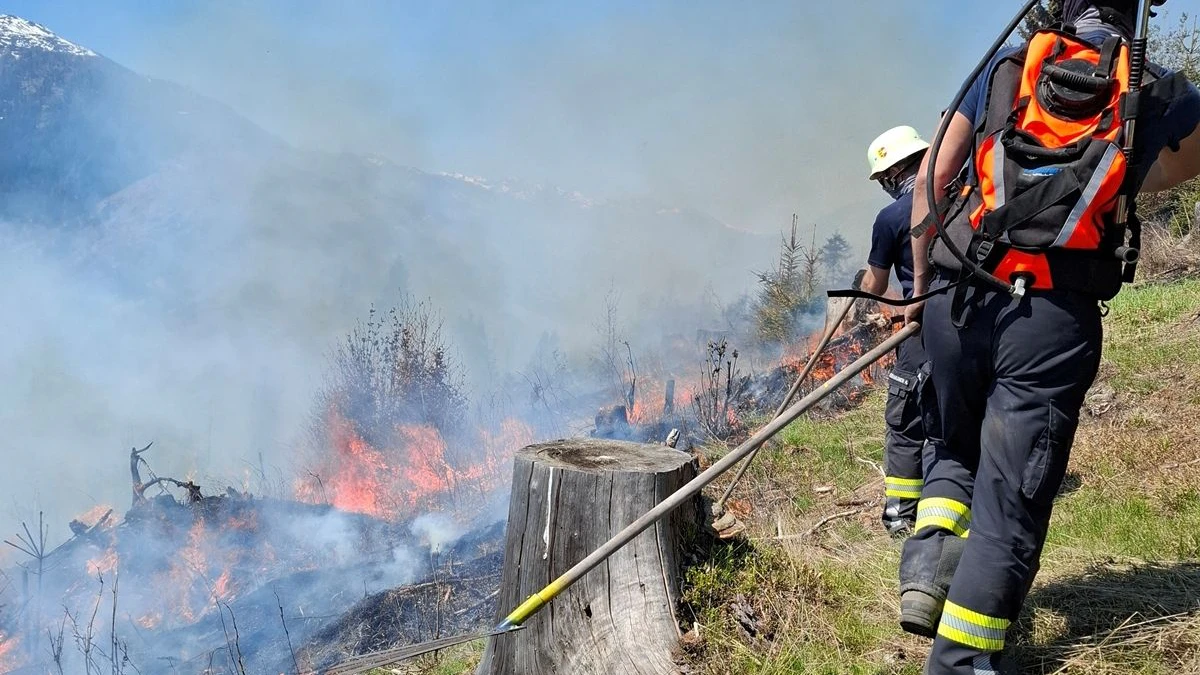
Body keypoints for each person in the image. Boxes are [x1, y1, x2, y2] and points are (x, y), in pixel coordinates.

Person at [896, 1, 1200, 672]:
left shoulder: (1005, 64)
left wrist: (917, 295)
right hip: (1048, 318)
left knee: (952, 446)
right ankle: (961, 663)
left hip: (957, 295)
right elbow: (1172, 169)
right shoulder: (1148, 90)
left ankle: (924, 570)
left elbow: (931, 181)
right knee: (1009, 506)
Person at [862, 125, 936, 536]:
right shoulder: (962, 195)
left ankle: (901, 513)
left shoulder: (891, 217)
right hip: (972, 320)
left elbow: (875, 284)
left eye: (882, 180)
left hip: (919, 328)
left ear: (893, 174)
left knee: (906, 418)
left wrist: (869, 304)